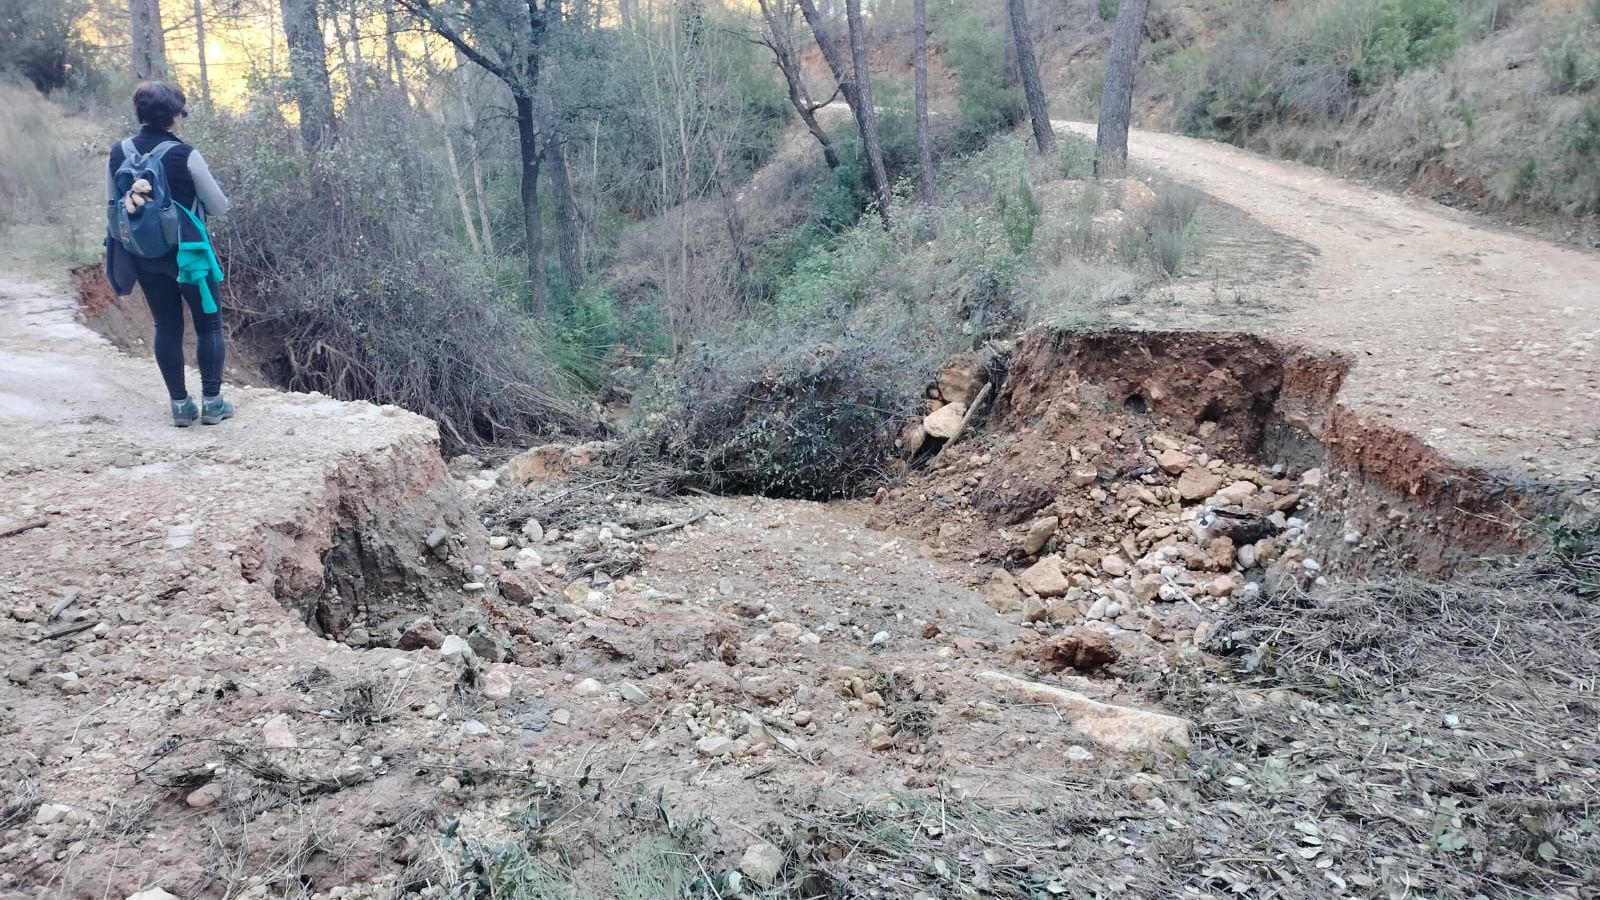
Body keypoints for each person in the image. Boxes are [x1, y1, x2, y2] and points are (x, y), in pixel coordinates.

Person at [107, 81, 234, 427]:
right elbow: (219, 206)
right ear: (175, 116)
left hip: (144, 254)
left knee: (166, 325)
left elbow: (113, 204)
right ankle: (212, 403)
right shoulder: (185, 154)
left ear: (140, 113)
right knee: (208, 325)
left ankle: (180, 406)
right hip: (189, 254)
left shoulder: (119, 152)